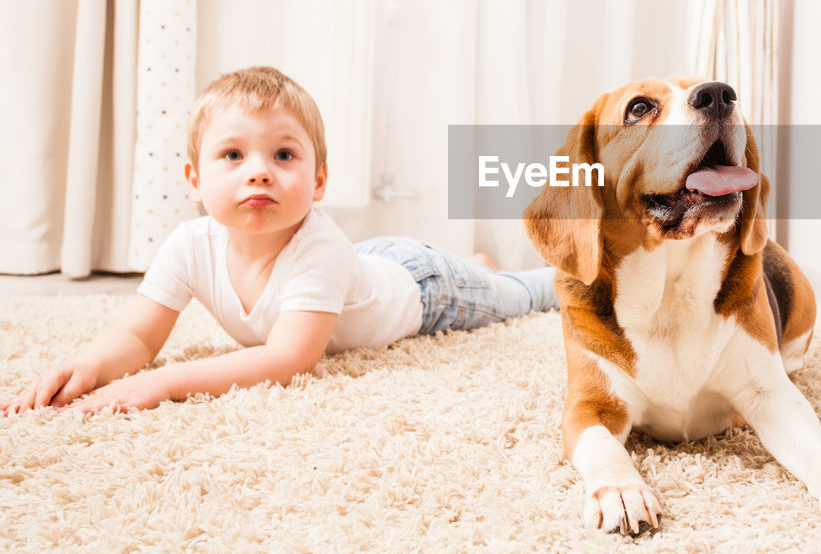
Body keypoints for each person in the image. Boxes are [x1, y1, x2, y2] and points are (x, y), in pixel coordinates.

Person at [3, 66, 557, 414]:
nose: (259, 172)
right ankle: (475, 262)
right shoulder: (188, 245)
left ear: (318, 181)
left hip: (426, 287)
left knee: (517, 297)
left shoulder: (321, 245)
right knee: (390, 273)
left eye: (284, 155)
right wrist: (89, 367)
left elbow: (288, 358)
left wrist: (165, 384)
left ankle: (520, 273)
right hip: (362, 268)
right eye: (233, 155)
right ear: (195, 179)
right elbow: (137, 337)